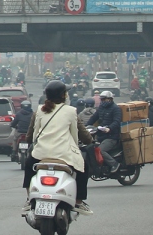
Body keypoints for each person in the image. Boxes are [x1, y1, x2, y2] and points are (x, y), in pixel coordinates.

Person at [21, 80, 94, 216]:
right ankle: (78, 202)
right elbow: (79, 134)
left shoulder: (39, 111)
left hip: (40, 154)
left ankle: (28, 199)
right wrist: (89, 140)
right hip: (64, 154)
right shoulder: (71, 111)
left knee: (28, 166)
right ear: (62, 96)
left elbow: (30, 136)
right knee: (83, 168)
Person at [90, 91, 122, 172]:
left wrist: (109, 128)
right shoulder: (101, 107)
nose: (103, 101)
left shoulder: (116, 108)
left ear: (110, 99)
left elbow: (117, 121)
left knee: (101, 150)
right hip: (101, 135)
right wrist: (85, 126)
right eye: (102, 99)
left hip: (112, 137)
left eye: (104, 99)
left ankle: (114, 164)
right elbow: (94, 118)